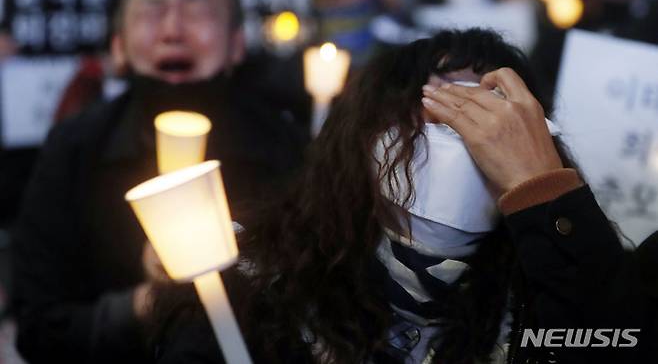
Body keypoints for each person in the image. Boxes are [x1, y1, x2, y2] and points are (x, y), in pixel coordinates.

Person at [152, 28, 651, 363]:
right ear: (361, 132)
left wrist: (547, 201)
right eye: (435, 101)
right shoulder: (248, 287)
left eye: (489, 111)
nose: (458, 124)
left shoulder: (568, 293)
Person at [11, 0, 307, 364]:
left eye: (197, 10)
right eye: (152, 11)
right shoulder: (75, 149)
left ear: (237, 44)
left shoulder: (286, 146)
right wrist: (153, 300)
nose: (173, 29)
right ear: (118, 47)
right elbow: (38, 328)